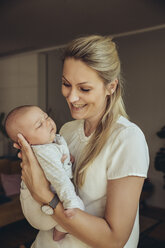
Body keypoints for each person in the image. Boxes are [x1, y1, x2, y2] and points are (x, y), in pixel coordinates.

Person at [14, 35, 149, 248]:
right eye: (66, 84)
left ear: (111, 87)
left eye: (84, 89)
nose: (71, 97)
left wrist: (46, 195)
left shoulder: (127, 139)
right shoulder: (65, 131)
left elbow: (114, 240)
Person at [5, 105, 84, 241]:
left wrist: (67, 160)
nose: (47, 122)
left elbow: (57, 165)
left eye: (46, 117)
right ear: (25, 141)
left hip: (45, 201)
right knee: (79, 208)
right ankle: (60, 230)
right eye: (39, 124)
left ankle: (60, 229)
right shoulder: (43, 152)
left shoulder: (51, 142)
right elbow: (60, 179)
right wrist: (72, 203)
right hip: (38, 211)